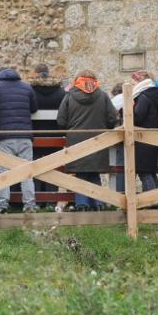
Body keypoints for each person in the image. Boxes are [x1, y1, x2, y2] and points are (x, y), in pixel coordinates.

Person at [0, 66, 38, 213]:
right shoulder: (26, 87)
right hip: (25, 137)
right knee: (27, 173)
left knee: (2, 173)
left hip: (4, 137)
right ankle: (30, 206)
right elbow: (34, 108)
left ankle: (2, 206)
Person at [56, 72, 117, 211]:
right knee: (94, 173)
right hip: (99, 140)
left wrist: (69, 131)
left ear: (77, 80)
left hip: (76, 140)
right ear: (94, 80)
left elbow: (61, 120)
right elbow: (112, 118)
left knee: (81, 173)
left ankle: (81, 204)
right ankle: (99, 203)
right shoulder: (102, 95)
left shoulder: (70, 96)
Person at [129, 70, 158, 196]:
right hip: (151, 136)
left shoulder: (144, 96)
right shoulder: (154, 93)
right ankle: (157, 198)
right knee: (150, 171)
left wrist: (127, 112)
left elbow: (138, 117)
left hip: (143, 138)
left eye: (134, 81)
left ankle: (152, 200)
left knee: (144, 171)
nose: (133, 84)